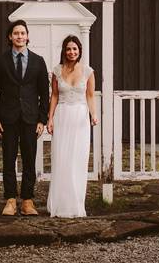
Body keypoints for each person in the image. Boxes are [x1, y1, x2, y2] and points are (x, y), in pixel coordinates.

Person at [0, 19, 50, 216]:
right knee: (8, 159)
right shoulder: (0, 61)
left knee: (30, 159)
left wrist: (42, 119)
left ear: (28, 36)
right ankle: (10, 200)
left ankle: (28, 201)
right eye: (16, 33)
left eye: (23, 33)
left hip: (31, 119)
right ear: (10, 37)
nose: (20, 36)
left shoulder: (38, 61)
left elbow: (44, 93)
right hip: (8, 118)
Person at [46, 34, 98, 218]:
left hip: (80, 118)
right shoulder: (57, 71)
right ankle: (59, 205)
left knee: (77, 160)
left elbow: (90, 96)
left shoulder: (88, 71)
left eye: (74, 49)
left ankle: (76, 205)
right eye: (68, 49)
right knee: (61, 159)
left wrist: (93, 115)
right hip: (62, 116)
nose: (71, 52)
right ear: (64, 51)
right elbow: (54, 96)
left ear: (79, 51)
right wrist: (50, 119)